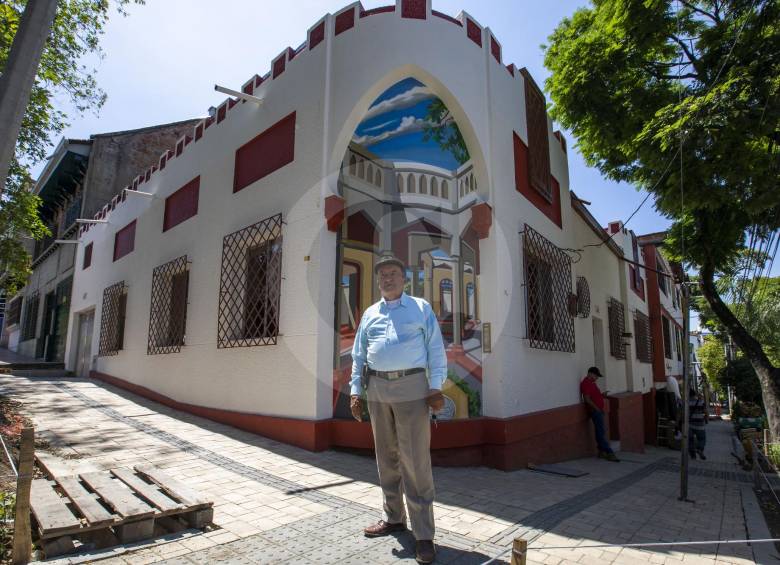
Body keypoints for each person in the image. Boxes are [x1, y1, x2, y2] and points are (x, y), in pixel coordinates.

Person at [350, 253, 447, 564]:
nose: (387, 278)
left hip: (412, 387)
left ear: (404, 279)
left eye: (393, 273)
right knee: (386, 457)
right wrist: (356, 391)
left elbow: (435, 348)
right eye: (382, 275)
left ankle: (424, 535)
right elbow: (359, 355)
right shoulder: (370, 313)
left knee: (415, 460)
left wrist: (435, 386)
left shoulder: (420, 308)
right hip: (377, 388)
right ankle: (393, 517)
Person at [580, 367, 619, 462]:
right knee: (600, 432)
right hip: (595, 411)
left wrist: (602, 395)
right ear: (590, 373)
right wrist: (597, 409)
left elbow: (594, 396)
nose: (597, 378)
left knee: (599, 432)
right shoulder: (586, 383)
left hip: (597, 410)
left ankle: (601, 452)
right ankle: (609, 452)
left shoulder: (592, 383)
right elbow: (587, 399)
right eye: (596, 375)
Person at [688, 388, 709, 460]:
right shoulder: (701, 401)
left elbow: (681, 412)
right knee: (702, 438)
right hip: (700, 424)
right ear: (695, 394)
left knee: (690, 440)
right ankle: (699, 449)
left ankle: (693, 455)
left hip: (690, 424)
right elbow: (705, 411)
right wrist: (706, 419)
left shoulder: (686, 402)